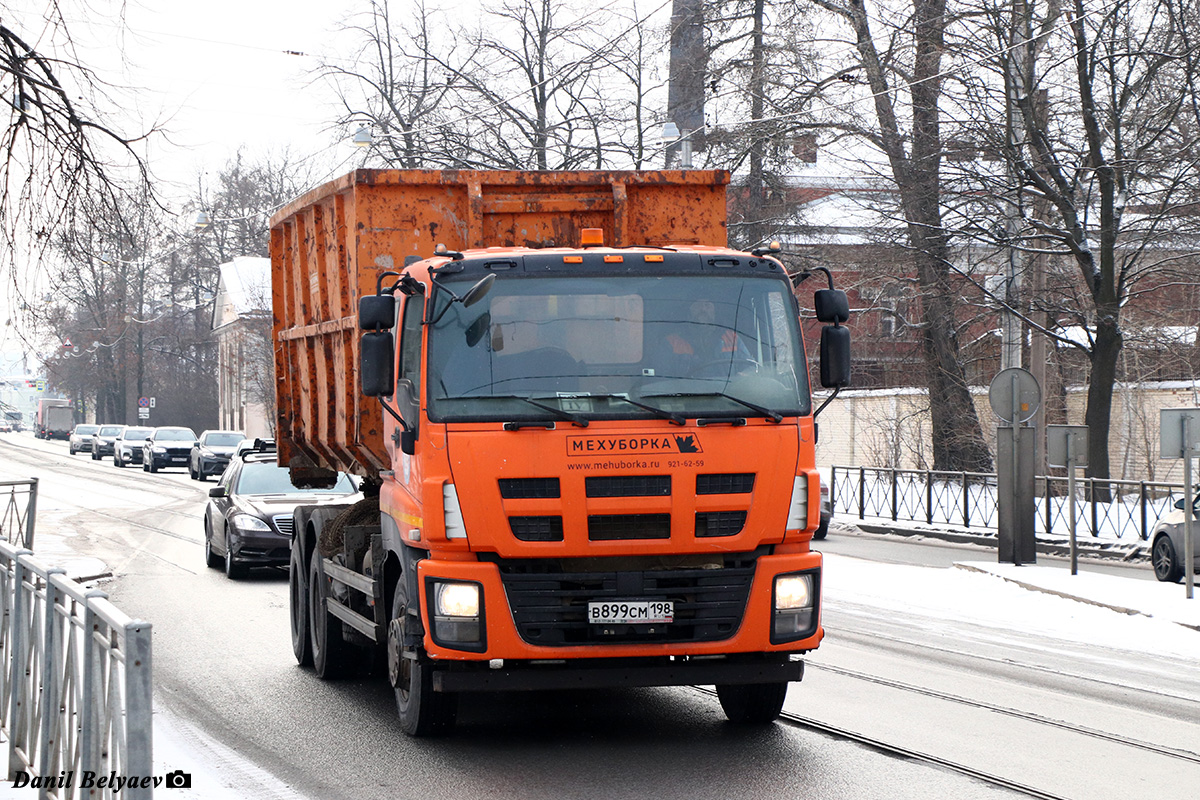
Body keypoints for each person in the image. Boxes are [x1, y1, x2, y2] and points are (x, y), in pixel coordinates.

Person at [661, 299, 752, 376]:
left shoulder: (732, 338)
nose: (703, 309)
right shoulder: (672, 342)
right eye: (697, 305)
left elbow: (749, 371)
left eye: (707, 305)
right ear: (689, 312)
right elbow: (661, 379)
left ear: (714, 312)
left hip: (727, 395)